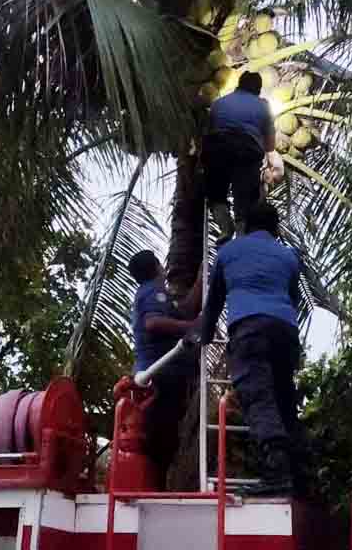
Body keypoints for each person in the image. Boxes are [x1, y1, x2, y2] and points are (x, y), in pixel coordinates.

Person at [196, 201, 302, 496]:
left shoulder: (229, 252)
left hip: (249, 329)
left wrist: (202, 336)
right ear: (276, 229)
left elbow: (214, 302)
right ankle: (298, 475)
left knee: (258, 396)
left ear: (244, 226)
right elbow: (292, 299)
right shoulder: (289, 256)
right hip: (284, 330)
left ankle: (277, 472)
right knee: (283, 399)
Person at [128, 250, 202, 489]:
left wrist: (202, 276)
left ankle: (156, 486)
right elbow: (153, 323)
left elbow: (187, 309)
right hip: (158, 376)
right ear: (158, 268)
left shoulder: (158, 295)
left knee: (165, 438)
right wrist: (190, 327)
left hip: (162, 376)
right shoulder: (153, 291)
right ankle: (153, 488)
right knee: (160, 439)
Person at [203, 71, 276, 242]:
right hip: (247, 150)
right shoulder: (263, 106)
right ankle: (242, 236)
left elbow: (208, 130)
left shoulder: (219, 103)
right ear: (258, 89)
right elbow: (270, 145)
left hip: (217, 148)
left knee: (216, 192)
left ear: (238, 85)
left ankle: (224, 228)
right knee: (244, 196)